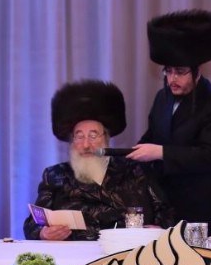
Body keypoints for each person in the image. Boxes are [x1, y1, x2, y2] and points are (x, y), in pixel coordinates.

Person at [128, 9, 211, 235]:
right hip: (169, 204)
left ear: (197, 71)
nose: (172, 79)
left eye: (180, 72)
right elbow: (152, 137)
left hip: (206, 205)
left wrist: (160, 152)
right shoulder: (162, 98)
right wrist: (129, 155)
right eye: (168, 72)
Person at [24, 80, 176, 241]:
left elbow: (166, 213)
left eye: (93, 135)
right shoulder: (55, 175)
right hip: (72, 253)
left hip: (126, 251)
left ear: (106, 139)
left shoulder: (135, 170)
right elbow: (33, 223)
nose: (86, 145)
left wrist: (158, 231)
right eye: (79, 136)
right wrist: (43, 233)